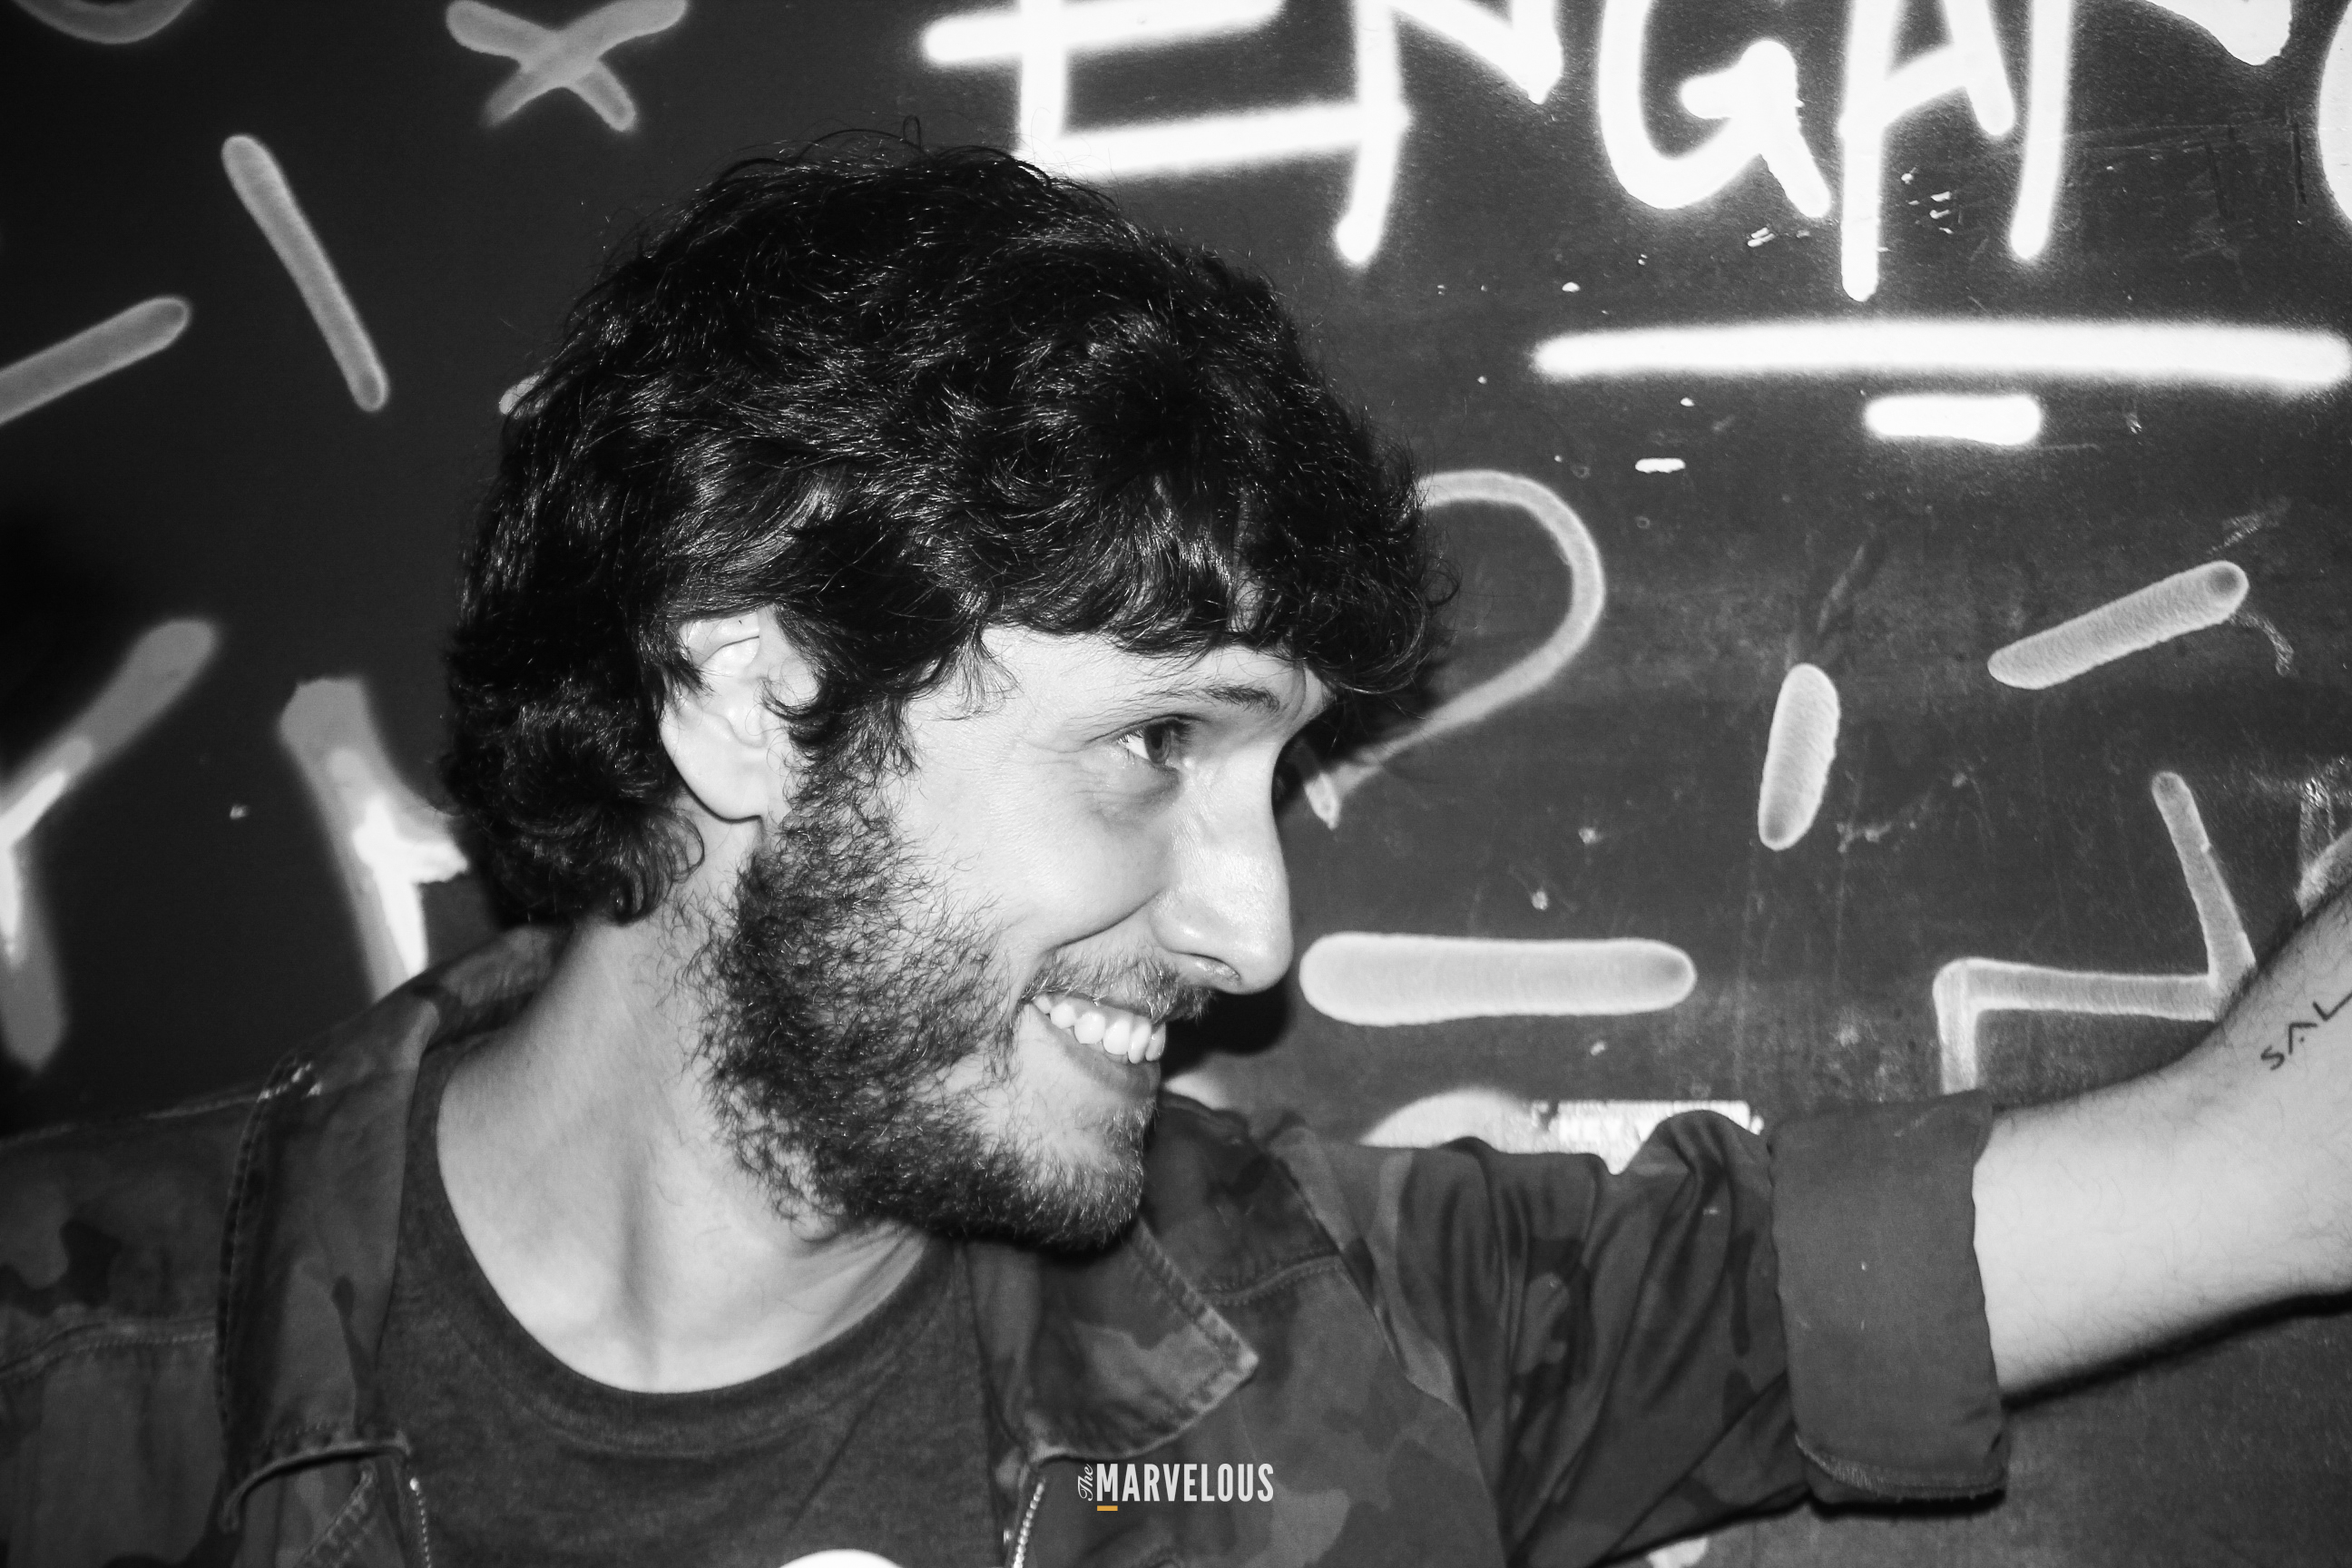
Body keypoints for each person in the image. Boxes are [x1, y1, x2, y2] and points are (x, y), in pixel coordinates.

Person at [4, 142, 2349, 1568]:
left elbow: (2254, 1168)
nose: (1254, 932)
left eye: (1275, 779)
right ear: (746, 696)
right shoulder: (74, 1375)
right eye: (1153, 745)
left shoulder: (1354, 1347)